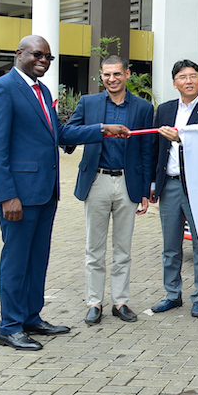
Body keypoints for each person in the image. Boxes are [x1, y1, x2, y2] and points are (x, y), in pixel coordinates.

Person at [0, 35, 130, 351]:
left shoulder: (41, 91)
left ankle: (31, 317)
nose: (44, 61)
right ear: (19, 53)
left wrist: (101, 129)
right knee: (16, 260)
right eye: (37, 54)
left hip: (45, 193)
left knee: (37, 259)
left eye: (49, 57)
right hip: (18, 195)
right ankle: (9, 327)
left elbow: (59, 134)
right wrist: (7, 195)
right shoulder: (2, 89)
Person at [66, 55, 155, 326]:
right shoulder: (88, 103)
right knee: (94, 248)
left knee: (123, 249)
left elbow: (147, 149)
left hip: (128, 182)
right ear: (101, 77)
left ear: (127, 74)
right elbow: (68, 133)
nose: (112, 79)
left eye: (117, 74)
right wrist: (100, 129)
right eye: (107, 75)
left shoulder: (142, 107)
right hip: (97, 181)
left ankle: (121, 301)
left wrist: (145, 188)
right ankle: (94, 302)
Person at [150, 60, 198, 317]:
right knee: (170, 246)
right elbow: (155, 149)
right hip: (169, 184)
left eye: (194, 76)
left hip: (197, 187)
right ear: (175, 83)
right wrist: (152, 183)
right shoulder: (164, 110)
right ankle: (172, 294)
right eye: (183, 77)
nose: (189, 81)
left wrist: (182, 137)